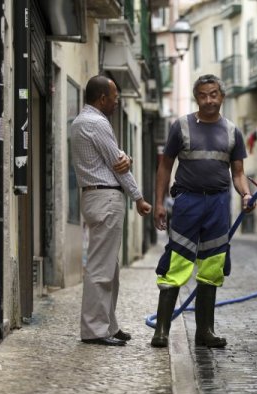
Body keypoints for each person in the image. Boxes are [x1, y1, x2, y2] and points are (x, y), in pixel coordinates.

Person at [151, 74, 254, 348]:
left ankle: (204, 332)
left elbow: (239, 173)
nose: (208, 100)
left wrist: (246, 194)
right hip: (187, 202)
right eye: (203, 95)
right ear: (196, 98)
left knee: (212, 266)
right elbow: (165, 166)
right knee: (176, 263)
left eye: (213, 95)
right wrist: (159, 203)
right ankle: (161, 331)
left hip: (219, 204)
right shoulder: (181, 127)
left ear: (222, 96)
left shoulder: (233, 131)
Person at [71, 75, 152, 346]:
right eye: (115, 96)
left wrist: (123, 156)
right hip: (106, 197)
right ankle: (95, 330)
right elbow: (119, 165)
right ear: (102, 98)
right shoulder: (97, 122)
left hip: (94, 197)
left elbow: (116, 157)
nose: (117, 101)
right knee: (100, 268)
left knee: (109, 267)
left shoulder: (81, 121)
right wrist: (138, 197)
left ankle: (109, 324)